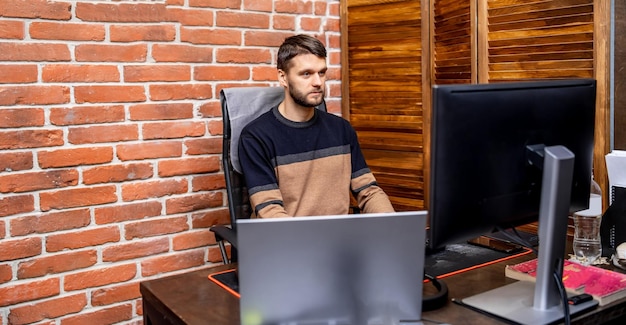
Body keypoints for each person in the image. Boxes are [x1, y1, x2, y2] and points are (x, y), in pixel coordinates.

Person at [238, 34, 394, 218]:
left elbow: (368, 191)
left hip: (338, 240)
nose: (318, 82)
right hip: (288, 241)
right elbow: (270, 211)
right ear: (283, 77)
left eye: (322, 72)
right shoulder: (256, 137)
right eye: (306, 74)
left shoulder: (342, 130)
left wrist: (394, 227)